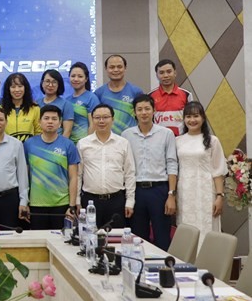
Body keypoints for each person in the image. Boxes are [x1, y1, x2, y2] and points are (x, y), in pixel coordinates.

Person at [121, 94, 178, 251]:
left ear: (154, 110)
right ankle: (140, 265)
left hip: (159, 190)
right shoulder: (126, 135)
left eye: (147, 109)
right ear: (134, 112)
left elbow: (172, 164)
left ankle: (164, 266)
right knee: (138, 237)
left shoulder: (166, 134)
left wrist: (171, 195)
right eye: (139, 109)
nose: (144, 112)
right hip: (136, 191)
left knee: (162, 236)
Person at [176, 101, 227, 248]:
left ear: (203, 118)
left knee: (207, 230)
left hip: (206, 194)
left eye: (196, 116)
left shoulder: (212, 141)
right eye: (188, 116)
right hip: (185, 194)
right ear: (184, 119)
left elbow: (218, 171)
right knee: (187, 231)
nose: (192, 120)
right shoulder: (178, 141)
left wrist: (219, 196)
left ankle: (209, 261)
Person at [77, 104, 135, 228]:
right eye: (97, 118)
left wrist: (130, 201)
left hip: (116, 201)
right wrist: (77, 200)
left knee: (116, 237)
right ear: (92, 120)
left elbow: (129, 173)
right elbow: (78, 174)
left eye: (105, 117)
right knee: (90, 237)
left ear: (112, 119)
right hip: (90, 201)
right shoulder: (83, 144)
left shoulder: (123, 143)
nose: (101, 121)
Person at [24, 105, 80, 230]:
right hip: (36, 205)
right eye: (46, 118)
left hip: (62, 204)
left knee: (62, 239)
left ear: (60, 123)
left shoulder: (68, 145)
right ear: (39, 122)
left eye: (54, 119)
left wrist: (71, 206)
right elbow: (25, 176)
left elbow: (73, 177)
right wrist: (25, 202)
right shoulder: (29, 144)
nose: (50, 122)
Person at [94, 55, 144, 135]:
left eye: (119, 67)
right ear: (106, 69)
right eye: (112, 67)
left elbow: (142, 117)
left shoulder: (136, 92)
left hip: (131, 138)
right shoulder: (99, 93)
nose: (116, 70)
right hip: (108, 139)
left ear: (125, 68)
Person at [149, 59, 193, 136]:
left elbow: (191, 119)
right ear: (157, 75)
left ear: (175, 73)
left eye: (169, 72)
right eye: (161, 73)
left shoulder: (186, 95)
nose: (166, 75)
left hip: (181, 139)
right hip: (159, 139)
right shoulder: (150, 96)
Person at [2, 72, 41, 142]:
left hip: (29, 148)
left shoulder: (35, 109)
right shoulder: (0, 110)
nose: (17, 90)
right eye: (13, 87)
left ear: (25, 88)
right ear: (8, 89)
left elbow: (39, 132)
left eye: (20, 86)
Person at [66, 62, 100, 144]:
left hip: (85, 145)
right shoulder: (67, 100)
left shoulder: (91, 98)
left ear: (86, 79)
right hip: (70, 145)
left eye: (80, 76)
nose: (76, 79)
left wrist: (87, 144)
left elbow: (93, 125)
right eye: (73, 76)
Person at [37, 69, 74, 138]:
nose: (50, 85)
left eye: (54, 82)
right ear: (42, 83)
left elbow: (67, 131)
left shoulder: (66, 104)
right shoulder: (36, 103)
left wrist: (61, 143)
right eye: (47, 81)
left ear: (59, 85)